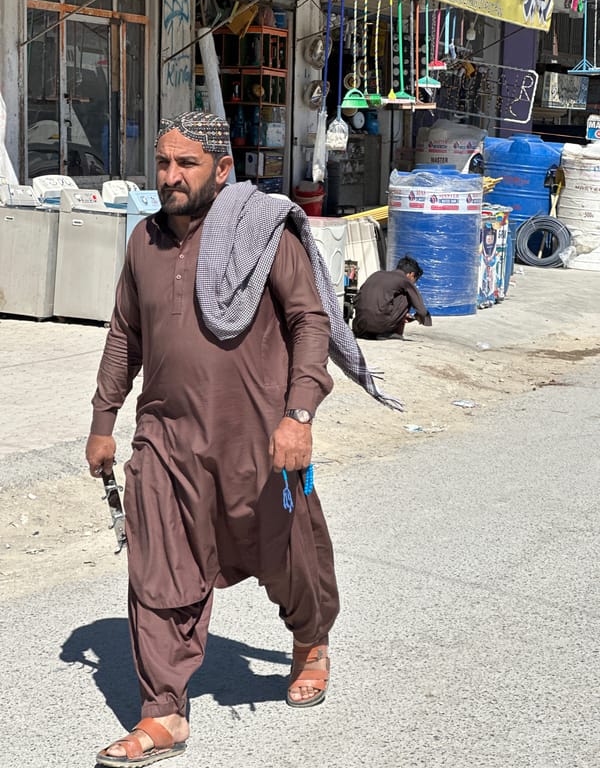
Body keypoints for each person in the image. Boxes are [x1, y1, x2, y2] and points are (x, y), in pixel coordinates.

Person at [86, 111, 401, 767]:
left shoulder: (262, 235)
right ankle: (163, 711)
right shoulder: (144, 242)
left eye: (186, 165)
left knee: (291, 560)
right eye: (164, 163)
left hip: (259, 443)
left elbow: (311, 320)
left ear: (222, 169)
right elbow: (125, 335)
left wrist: (300, 415)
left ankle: (310, 641)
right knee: (156, 570)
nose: (170, 177)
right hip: (166, 442)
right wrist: (101, 420)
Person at [351, 255, 432, 341]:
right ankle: (391, 332)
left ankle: (371, 329)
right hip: (380, 328)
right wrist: (420, 317)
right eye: (414, 279)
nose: (414, 283)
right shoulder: (404, 280)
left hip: (359, 327)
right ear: (411, 274)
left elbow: (357, 298)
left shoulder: (376, 274)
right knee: (407, 294)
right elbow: (422, 311)